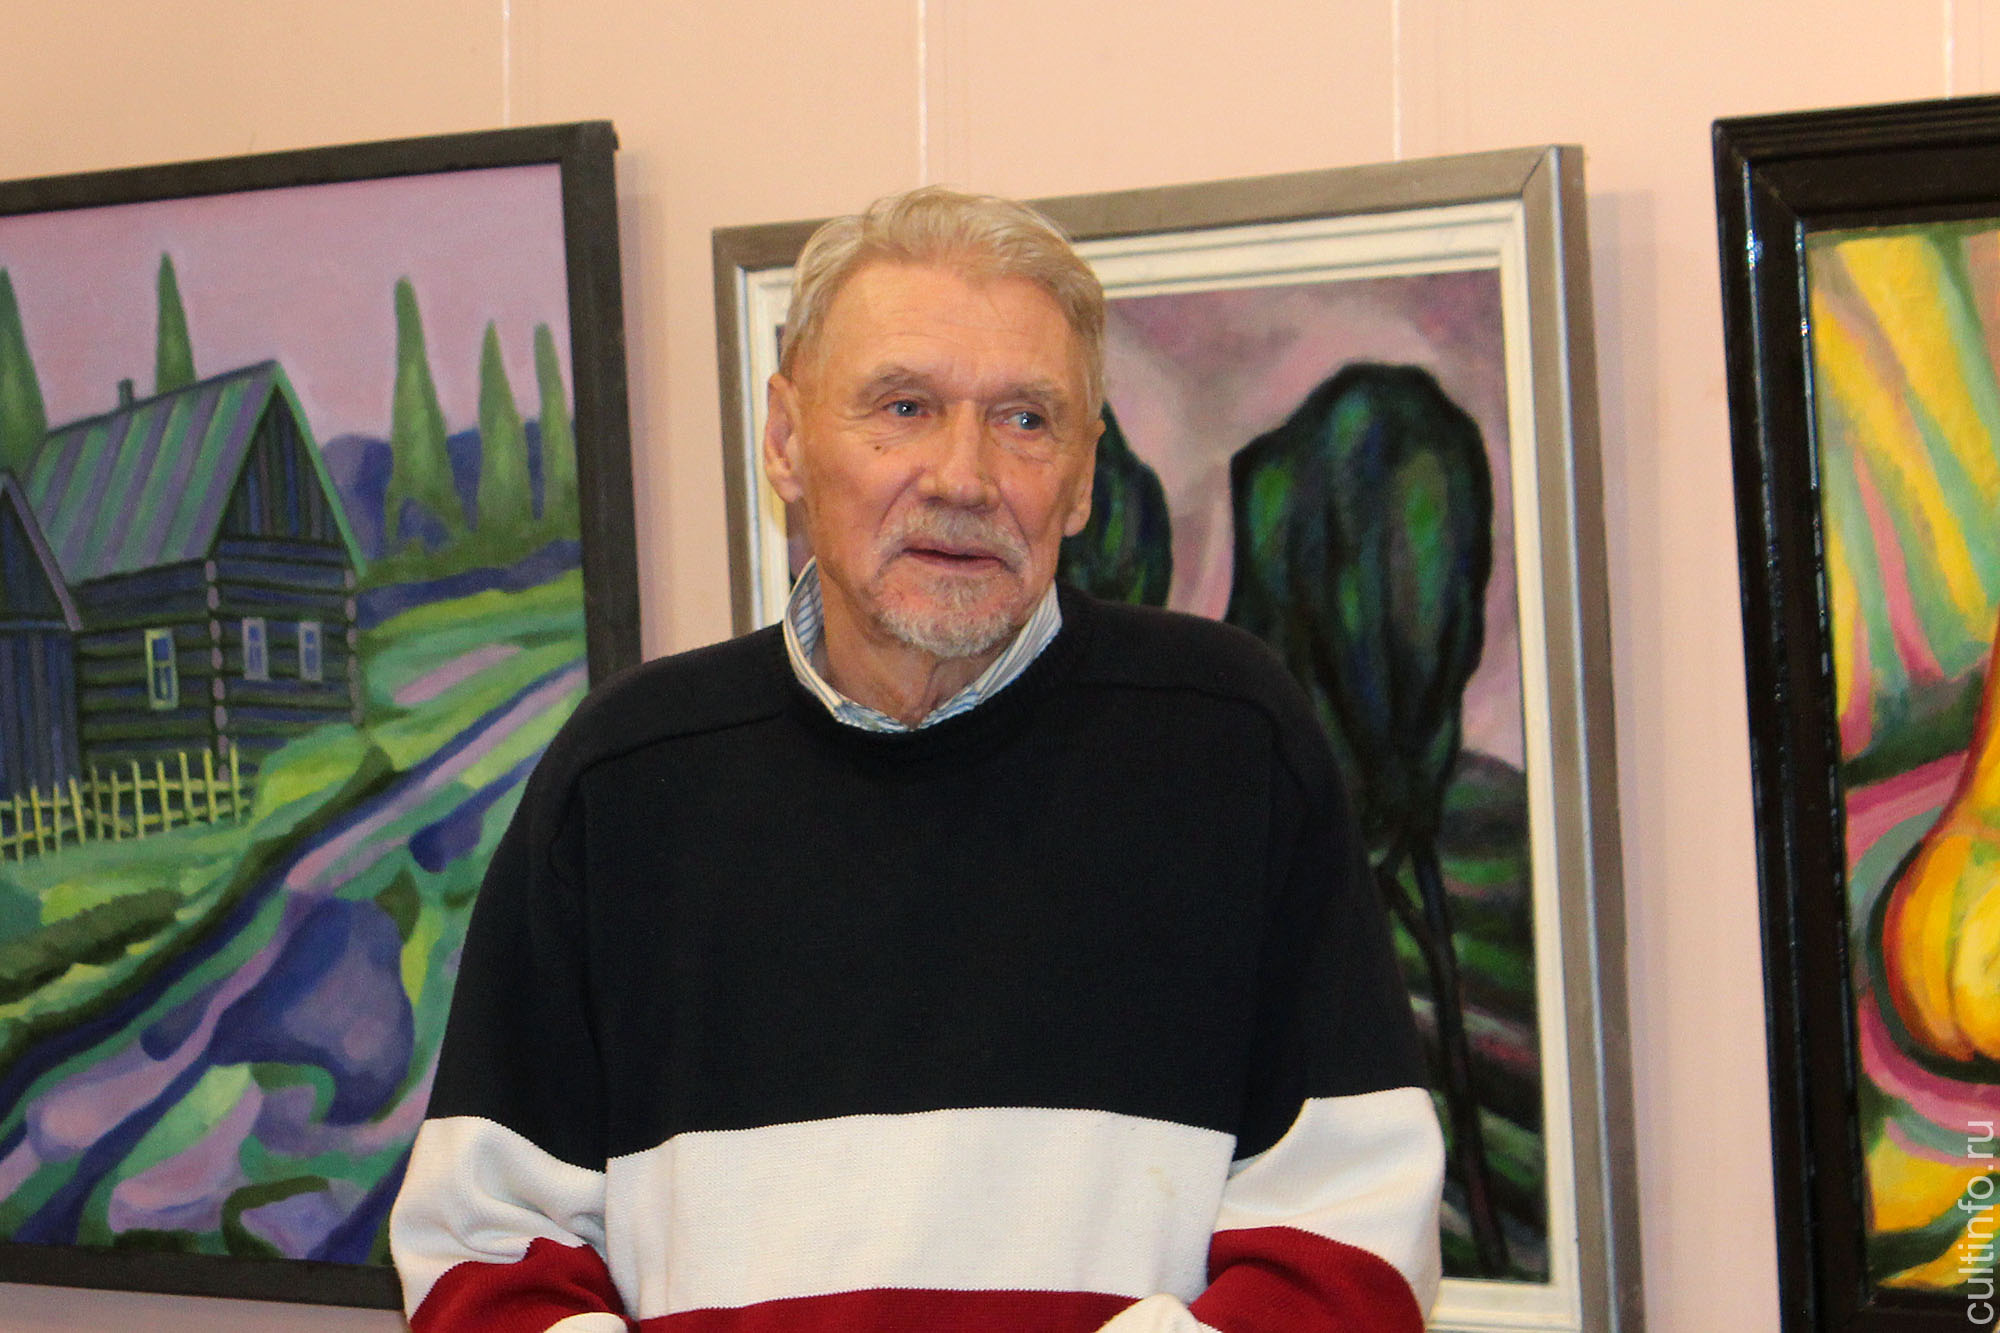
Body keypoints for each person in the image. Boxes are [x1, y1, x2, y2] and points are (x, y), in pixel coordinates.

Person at [389, 185, 1445, 1333]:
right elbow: (484, 1255)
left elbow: (1352, 1236)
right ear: (786, 440)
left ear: (1082, 476)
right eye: (903, 406)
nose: (962, 476)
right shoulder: (625, 780)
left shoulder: (1231, 745)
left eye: (1025, 419)